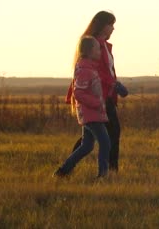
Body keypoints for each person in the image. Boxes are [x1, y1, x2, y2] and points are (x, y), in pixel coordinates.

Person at [65, 10, 127, 174]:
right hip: (99, 96)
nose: (113, 29)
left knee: (90, 140)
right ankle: (109, 172)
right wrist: (114, 85)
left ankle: (65, 170)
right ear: (102, 25)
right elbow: (97, 73)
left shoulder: (102, 45)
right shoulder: (94, 46)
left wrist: (115, 85)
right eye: (111, 25)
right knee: (110, 133)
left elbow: (107, 71)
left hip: (105, 95)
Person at [54, 36, 110, 178]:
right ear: (90, 51)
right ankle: (103, 175)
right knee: (105, 143)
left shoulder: (90, 68)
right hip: (91, 115)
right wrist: (96, 103)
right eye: (98, 48)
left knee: (87, 146)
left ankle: (63, 171)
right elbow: (78, 92)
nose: (100, 51)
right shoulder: (84, 69)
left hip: (92, 114)